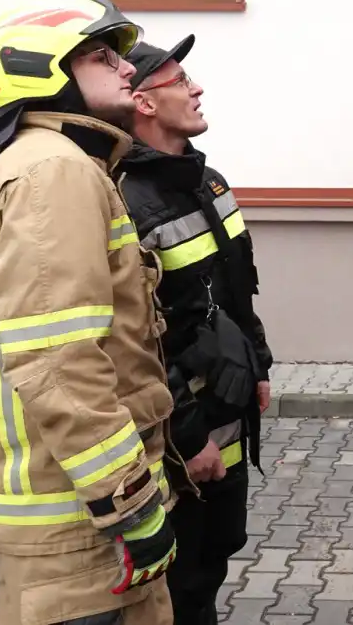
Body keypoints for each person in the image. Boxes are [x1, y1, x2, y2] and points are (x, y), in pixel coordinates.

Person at [0, 0, 178, 625]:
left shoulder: (35, 164)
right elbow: (58, 361)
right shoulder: (56, 172)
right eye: (107, 56)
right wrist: (130, 504)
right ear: (44, 66)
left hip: (65, 518)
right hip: (80, 531)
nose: (129, 69)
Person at [116, 35, 273, 625]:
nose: (197, 87)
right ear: (146, 104)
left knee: (214, 560)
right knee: (182, 585)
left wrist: (261, 365)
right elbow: (137, 344)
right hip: (184, 444)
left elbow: (238, 292)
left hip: (229, 419)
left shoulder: (210, 182)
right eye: (181, 80)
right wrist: (187, 436)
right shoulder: (126, 201)